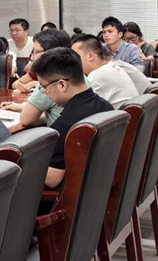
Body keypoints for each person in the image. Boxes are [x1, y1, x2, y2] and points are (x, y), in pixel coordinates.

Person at [32, 48, 112, 189]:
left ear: (62, 84)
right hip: (102, 189)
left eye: (44, 87)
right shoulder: (106, 107)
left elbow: (51, 180)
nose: (45, 93)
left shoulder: (66, 126)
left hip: (75, 197)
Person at [0, 29, 80, 127]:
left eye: (36, 52)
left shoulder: (50, 82)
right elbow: (55, 113)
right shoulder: (77, 74)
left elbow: (26, 120)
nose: (32, 57)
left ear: (52, 52)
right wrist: (17, 107)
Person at [71, 34, 139, 109]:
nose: (73, 61)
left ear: (90, 56)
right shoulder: (112, 67)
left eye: (75, 56)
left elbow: (82, 108)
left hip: (120, 115)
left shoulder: (95, 77)